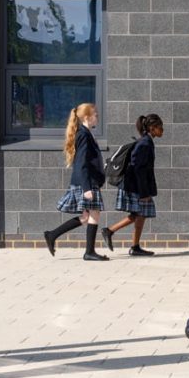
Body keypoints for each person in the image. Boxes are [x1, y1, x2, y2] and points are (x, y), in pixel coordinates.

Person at [44, 102, 109, 261]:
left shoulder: (86, 133)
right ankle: (89, 252)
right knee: (94, 213)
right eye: (95, 115)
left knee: (87, 216)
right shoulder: (83, 134)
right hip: (86, 183)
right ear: (87, 117)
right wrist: (87, 188)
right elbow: (81, 163)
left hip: (88, 181)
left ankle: (52, 235)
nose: (97, 117)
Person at [102, 114, 163, 257]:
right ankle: (109, 231)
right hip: (135, 186)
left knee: (141, 214)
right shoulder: (144, 144)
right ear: (152, 128)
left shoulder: (146, 142)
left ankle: (134, 246)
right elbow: (137, 168)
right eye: (160, 128)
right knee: (139, 213)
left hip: (137, 185)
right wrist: (143, 193)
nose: (162, 131)